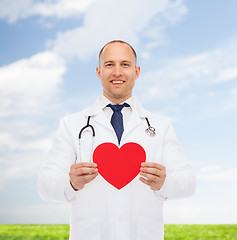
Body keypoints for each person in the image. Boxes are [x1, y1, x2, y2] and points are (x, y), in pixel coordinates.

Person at [38, 40, 196, 240]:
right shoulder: (71, 125)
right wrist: (71, 183)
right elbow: (45, 185)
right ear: (98, 72)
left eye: (125, 64)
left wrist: (164, 183)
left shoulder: (161, 126)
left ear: (137, 72)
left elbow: (189, 183)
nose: (117, 72)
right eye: (110, 64)